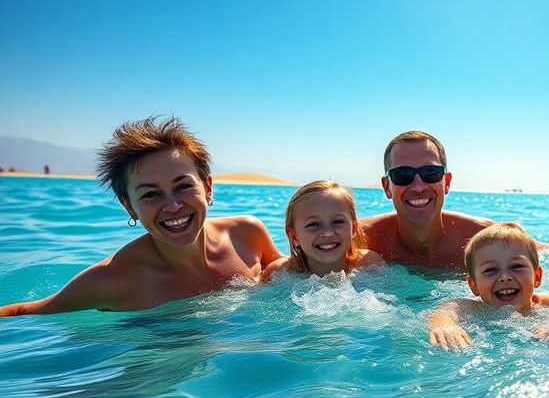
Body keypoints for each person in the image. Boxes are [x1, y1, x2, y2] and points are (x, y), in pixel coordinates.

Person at [0, 117, 282, 316]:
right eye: (150, 194)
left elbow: (292, 274)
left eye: (183, 186)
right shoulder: (113, 279)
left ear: (207, 187)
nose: (173, 205)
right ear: (129, 207)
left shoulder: (248, 235)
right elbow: (22, 312)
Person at [428, 222, 549, 351]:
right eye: (490, 270)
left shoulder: (546, 303)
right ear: (474, 285)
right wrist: (445, 326)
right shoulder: (472, 308)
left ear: (537, 277)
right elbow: (444, 313)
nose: (505, 277)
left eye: (516, 266)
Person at [362, 131, 493, 270]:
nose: (418, 187)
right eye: (402, 174)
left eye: (431, 172)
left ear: (447, 183)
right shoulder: (358, 241)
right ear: (387, 187)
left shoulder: (486, 240)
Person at [261, 180, 382, 281]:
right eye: (313, 224)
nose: (327, 233)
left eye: (338, 221)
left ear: (353, 229)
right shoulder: (278, 274)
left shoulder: (369, 265)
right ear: (294, 236)